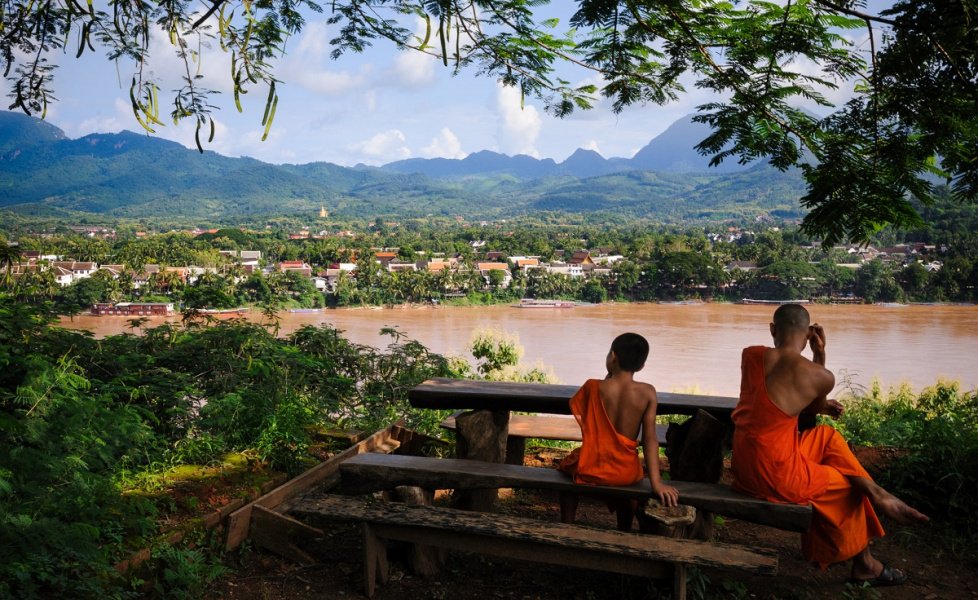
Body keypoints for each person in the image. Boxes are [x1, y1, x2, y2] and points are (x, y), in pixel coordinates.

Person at [731, 303, 928, 586]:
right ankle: (866, 565)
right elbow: (811, 408)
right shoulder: (822, 376)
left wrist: (819, 400)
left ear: (773, 329)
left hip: (745, 464)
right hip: (775, 476)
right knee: (848, 487)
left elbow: (802, 406)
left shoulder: (750, 355)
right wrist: (820, 353)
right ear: (809, 334)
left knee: (827, 437)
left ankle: (877, 492)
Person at [558, 332, 680, 531]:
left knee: (567, 467)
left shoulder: (592, 387)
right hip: (625, 472)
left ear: (612, 357)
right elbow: (650, 439)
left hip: (592, 467)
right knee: (629, 489)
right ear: (641, 366)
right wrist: (656, 483)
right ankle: (623, 529)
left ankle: (567, 525)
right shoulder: (648, 392)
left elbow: (586, 417)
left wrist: (609, 373)